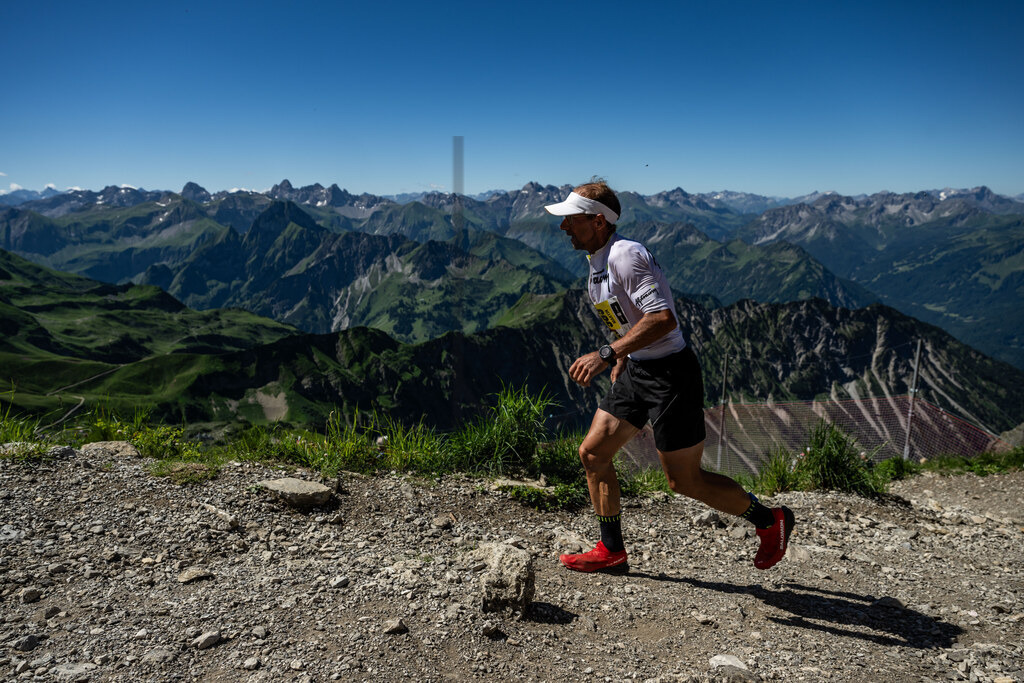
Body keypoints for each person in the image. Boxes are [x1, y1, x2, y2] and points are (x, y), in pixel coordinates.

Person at [544, 180, 794, 572]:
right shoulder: (596, 264)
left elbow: (662, 319)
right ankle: (612, 550)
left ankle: (770, 520)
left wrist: (609, 354)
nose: (563, 228)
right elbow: (626, 319)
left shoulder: (625, 256)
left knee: (685, 482)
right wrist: (625, 358)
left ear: (598, 221)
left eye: (570, 221)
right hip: (638, 368)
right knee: (593, 453)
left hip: (671, 376)